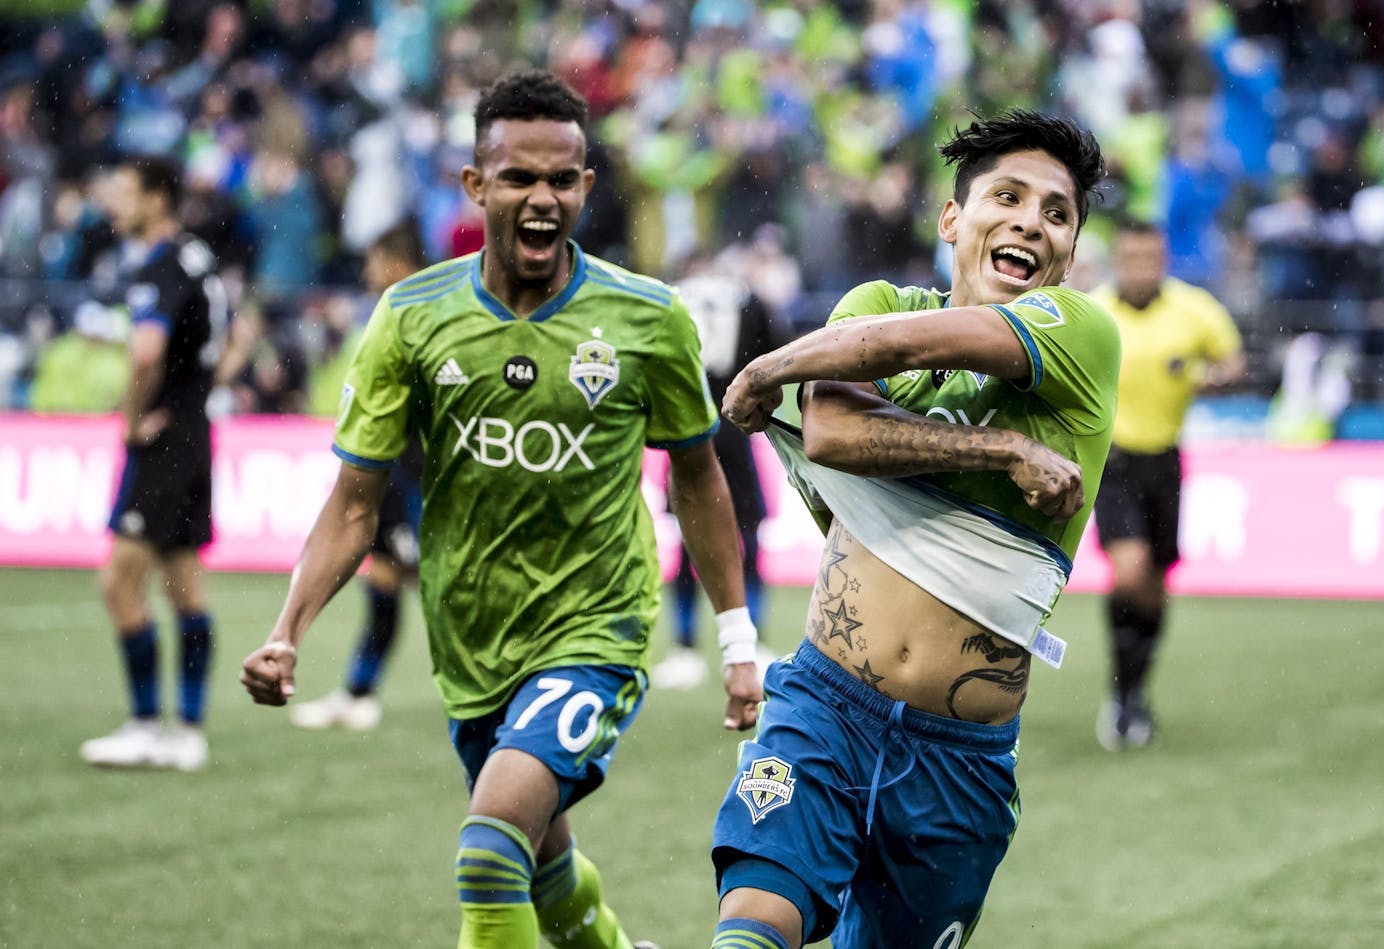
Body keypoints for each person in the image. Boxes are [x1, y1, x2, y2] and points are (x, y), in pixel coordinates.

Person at [239, 70, 760, 949]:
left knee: (488, 854)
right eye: (518, 177)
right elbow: (355, 499)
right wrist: (289, 626)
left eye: (563, 178)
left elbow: (699, 477)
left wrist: (737, 637)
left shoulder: (647, 317)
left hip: (597, 626)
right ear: (476, 185)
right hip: (471, 634)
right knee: (545, 869)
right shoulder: (411, 317)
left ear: (587, 187)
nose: (543, 197)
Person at [715, 110, 1119, 949]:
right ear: (951, 219)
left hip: (959, 759)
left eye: (1055, 213)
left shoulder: (1082, 334)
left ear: (1071, 251)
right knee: (753, 929)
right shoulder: (876, 307)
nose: (1029, 223)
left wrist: (773, 363)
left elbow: (895, 351)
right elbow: (833, 433)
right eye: (1005, 197)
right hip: (825, 706)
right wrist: (999, 447)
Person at [81, 157, 228, 772]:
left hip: (164, 441)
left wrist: (131, 417)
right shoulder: (199, 259)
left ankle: (146, 723)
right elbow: (231, 337)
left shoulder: (160, 266)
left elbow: (146, 353)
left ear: (158, 199)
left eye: (125, 193)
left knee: (118, 582)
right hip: (195, 431)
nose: (114, 204)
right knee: (184, 586)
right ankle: (188, 731)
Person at [1089, 219, 1244, 751]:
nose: (1140, 268)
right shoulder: (1095, 313)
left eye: (1150, 258)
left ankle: (1134, 693)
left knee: (1155, 585)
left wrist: (1208, 376)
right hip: (1113, 459)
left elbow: (1233, 362)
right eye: (1131, 258)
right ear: (1118, 260)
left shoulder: (1193, 310)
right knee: (1128, 571)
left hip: (1166, 460)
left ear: (1163, 259)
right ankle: (1119, 693)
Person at [288, 222, 429, 731]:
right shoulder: (394, 311)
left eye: (373, 261)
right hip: (392, 469)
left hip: (422, 475)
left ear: (395, 261)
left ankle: (501, 691)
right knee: (387, 577)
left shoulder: (426, 312)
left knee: (436, 582)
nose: (368, 273)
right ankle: (359, 692)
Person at [653, 253, 781, 691]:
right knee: (746, 537)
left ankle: (685, 648)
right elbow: (774, 360)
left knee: (690, 541)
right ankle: (754, 641)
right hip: (736, 427)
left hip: (687, 425)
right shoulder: (748, 297)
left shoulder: (669, 298)